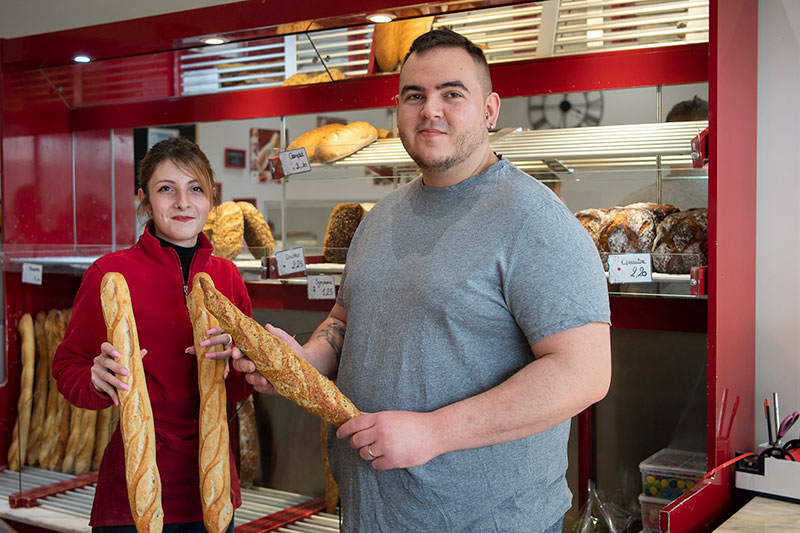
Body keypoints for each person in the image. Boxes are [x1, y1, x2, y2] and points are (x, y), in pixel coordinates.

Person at [234, 28, 611, 532]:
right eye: (415, 95)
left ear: (490, 110)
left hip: (487, 522)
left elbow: (584, 373)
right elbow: (347, 322)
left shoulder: (534, 220)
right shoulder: (381, 218)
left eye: (452, 94)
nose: (430, 109)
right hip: (370, 514)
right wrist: (302, 362)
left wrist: (435, 432)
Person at [53, 136, 253, 531]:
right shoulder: (110, 275)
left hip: (211, 485)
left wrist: (237, 363)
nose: (183, 202)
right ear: (144, 199)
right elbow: (67, 368)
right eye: (167, 190)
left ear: (211, 198)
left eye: (195, 189)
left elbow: (244, 386)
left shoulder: (227, 277)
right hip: (134, 486)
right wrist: (95, 378)